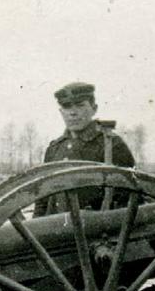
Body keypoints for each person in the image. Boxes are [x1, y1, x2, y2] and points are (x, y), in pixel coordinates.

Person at [35, 81, 136, 216]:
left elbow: (129, 200)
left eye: (80, 105)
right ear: (61, 112)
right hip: (55, 232)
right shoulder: (54, 149)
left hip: (96, 233)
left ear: (94, 109)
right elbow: (42, 200)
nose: (73, 113)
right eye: (67, 107)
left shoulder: (112, 146)